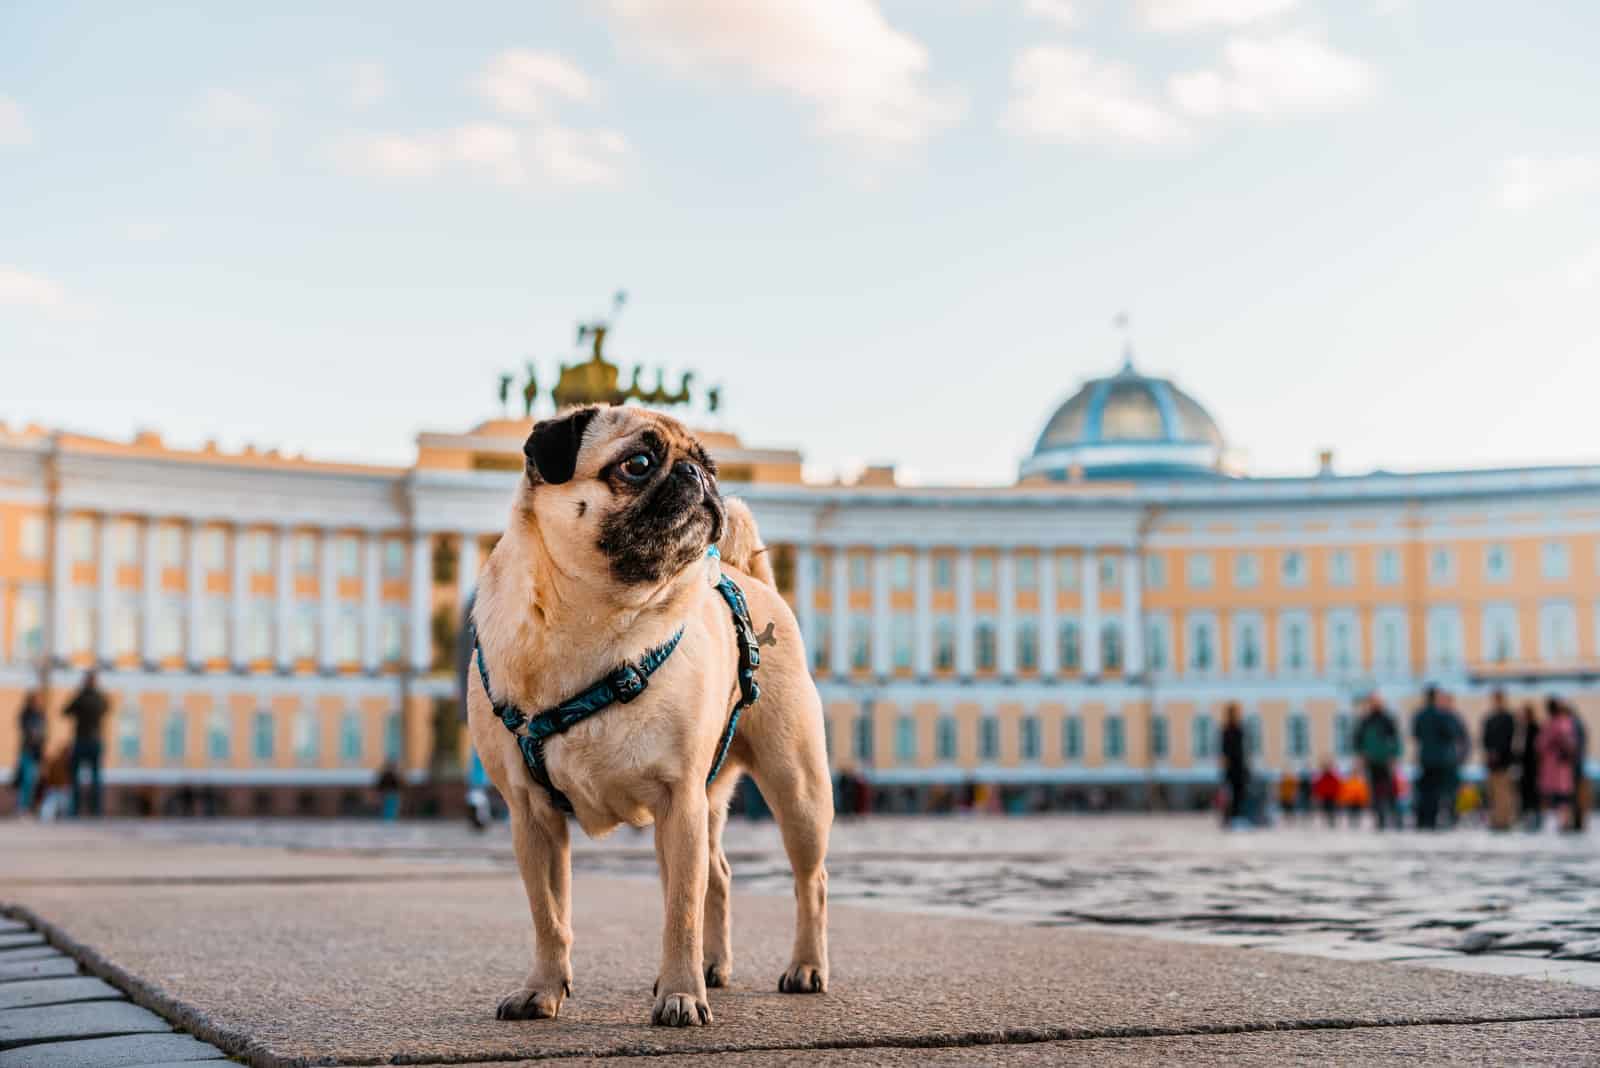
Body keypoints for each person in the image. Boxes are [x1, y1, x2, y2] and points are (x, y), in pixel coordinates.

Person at [1412, 686, 1465, 830]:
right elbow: (1452, 733)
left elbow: (1416, 734)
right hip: (1441, 759)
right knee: (1439, 791)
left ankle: (1424, 820)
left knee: (1425, 791)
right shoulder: (1442, 715)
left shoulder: (1419, 715)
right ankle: (1435, 819)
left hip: (1425, 757)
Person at [62, 671, 109, 818]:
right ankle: (96, 810)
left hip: (81, 740)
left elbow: (65, 711)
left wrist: (78, 696)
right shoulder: (100, 698)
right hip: (95, 740)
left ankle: (75, 810)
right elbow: (107, 709)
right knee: (96, 778)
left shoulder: (80, 697)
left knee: (75, 777)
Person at [1354, 693, 1402, 830]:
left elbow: (1395, 740)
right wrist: (1360, 757)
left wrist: (1394, 756)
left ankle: (1393, 816)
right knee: (1375, 790)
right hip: (1372, 760)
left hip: (1385, 760)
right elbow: (1358, 741)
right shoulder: (1365, 721)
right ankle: (1380, 818)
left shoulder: (1387, 720)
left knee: (1389, 789)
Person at [1537, 698, 1579, 831]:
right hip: (1557, 765)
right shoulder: (1560, 722)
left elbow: (1541, 744)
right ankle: (1560, 822)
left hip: (1558, 765)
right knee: (1559, 795)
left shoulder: (1557, 723)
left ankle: (1563, 822)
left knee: (1560, 795)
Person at [1481, 689, 1518, 832]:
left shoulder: (1508, 718)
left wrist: (1499, 753)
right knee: (1494, 792)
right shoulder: (1490, 718)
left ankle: (1505, 819)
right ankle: (1496, 819)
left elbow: (1509, 739)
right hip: (1492, 762)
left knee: (1504, 792)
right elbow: (1485, 739)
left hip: (1504, 761)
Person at [13, 692, 45, 816]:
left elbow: (43, 734)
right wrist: (34, 735)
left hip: (37, 752)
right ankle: (22, 807)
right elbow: (26, 731)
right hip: (27, 751)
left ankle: (31, 807)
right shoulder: (25, 714)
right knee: (26, 780)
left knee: (34, 781)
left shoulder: (40, 715)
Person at [1219, 703, 1250, 828]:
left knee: (1238, 793)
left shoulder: (1236, 729)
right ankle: (1231, 817)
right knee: (1231, 794)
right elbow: (1225, 750)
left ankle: (1235, 816)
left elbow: (1242, 749)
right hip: (1233, 767)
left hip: (1237, 766)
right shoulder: (1229, 730)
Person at [1518, 702, 1543, 830]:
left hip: (1533, 767)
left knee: (1534, 793)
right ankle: (1526, 819)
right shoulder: (1520, 729)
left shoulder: (1535, 728)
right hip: (1523, 767)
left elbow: (1538, 748)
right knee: (1524, 793)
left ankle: (1536, 820)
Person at [1312, 761, 1342, 826]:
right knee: (1326, 808)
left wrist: (1338, 794)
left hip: (1332, 795)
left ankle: (1331, 820)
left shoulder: (1332, 776)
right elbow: (1317, 786)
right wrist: (1317, 794)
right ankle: (1328, 820)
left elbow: (1337, 785)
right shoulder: (1322, 777)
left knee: (1331, 808)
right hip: (1325, 796)